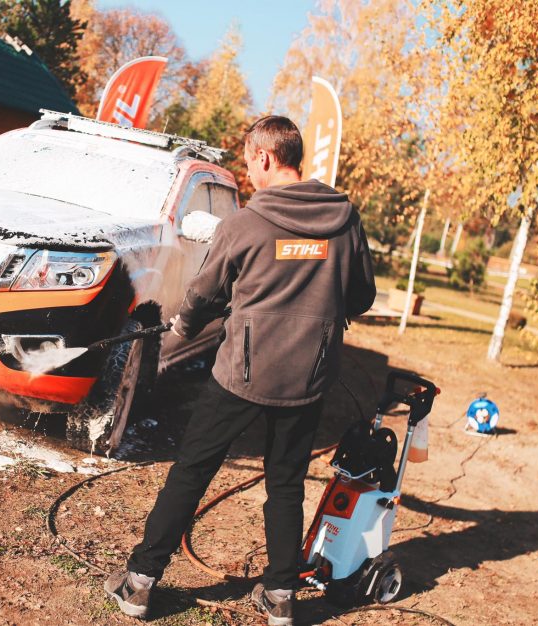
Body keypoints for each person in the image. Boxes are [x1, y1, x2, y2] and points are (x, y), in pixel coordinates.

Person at [104, 115, 376, 625]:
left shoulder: (246, 223)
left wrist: (182, 326)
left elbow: (204, 294)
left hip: (242, 374)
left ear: (266, 157)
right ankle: (280, 598)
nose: (249, 172)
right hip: (307, 376)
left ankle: (139, 583)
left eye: (250, 161)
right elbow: (361, 296)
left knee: (192, 472)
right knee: (286, 484)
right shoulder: (344, 220)